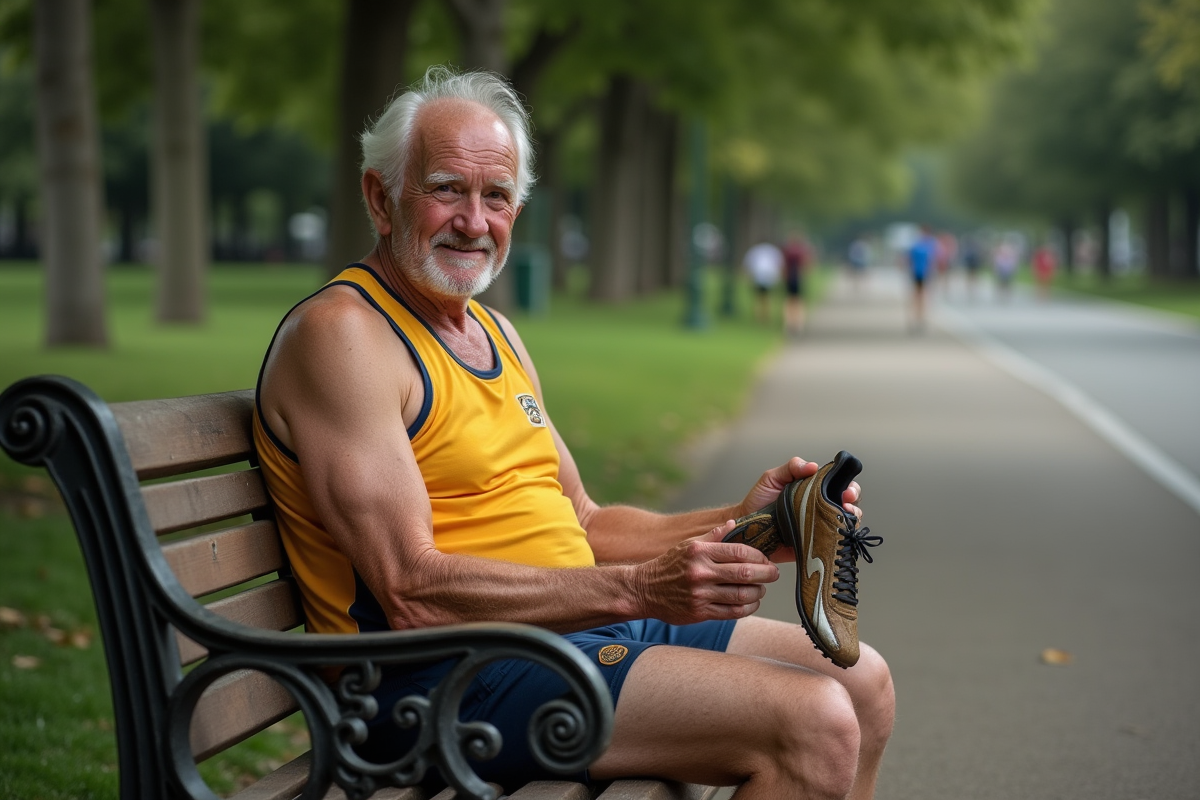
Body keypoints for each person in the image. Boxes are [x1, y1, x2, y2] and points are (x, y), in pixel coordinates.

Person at [254, 66, 894, 799]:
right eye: (445, 189)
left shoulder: (495, 334)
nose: (473, 220)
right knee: (813, 722)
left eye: (495, 196)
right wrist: (636, 591)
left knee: (863, 684)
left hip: (560, 638)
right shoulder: (346, 337)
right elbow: (411, 590)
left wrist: (749, 523)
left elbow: (584, 522)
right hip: (430, 681)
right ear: (380, 197)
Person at [742, 240, 783, 325]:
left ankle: (760, 316)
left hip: (759, 276)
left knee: (759, 297)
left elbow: (748, 263)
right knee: (766, 297)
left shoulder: (755, 250)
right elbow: (779, 264)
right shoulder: (773, 250)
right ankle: (764, 315)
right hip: (769, 277)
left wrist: (748, 276)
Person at [907, 226, 938, 330]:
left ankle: (918, 318)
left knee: (920, 296)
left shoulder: (919, 244)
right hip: (921, 273)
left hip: (921, 273)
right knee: (920, 296)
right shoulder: (928, 244)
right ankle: (918, 318)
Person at [781, 235, 811, 335]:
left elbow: (783, 266)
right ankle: (798, 323)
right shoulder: (801, 251)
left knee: (789, 301)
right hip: (798, 278)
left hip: (789, 279)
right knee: (798, 301)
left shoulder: (787, 251)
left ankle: (789, 322)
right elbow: (806, 265)